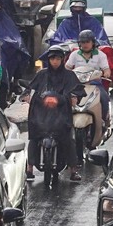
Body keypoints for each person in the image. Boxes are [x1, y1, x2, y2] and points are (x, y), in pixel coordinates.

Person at [24, 44, 84, 181]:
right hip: (41, 115)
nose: (55, 61)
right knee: (33, 138)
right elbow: (29, 88)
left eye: (58, 58)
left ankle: (73, 170)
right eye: (52, 59)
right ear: (49, 60)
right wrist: (27, 96)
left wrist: (74, 97)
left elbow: (77, 90)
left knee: (69, 139)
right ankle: (29, 167)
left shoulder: (69, 75)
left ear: (62, 59)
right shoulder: (42, 74)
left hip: (61, 115)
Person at [65, 29, 111, 142]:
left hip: (94, 84)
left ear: (93, 43)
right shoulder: (74, 55)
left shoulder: (101, 55)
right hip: (76, 85)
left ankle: (103, 120)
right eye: (82, 42)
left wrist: (104, 73)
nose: (85, 44)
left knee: (104, 98)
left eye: (87, 42)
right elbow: (67, 67)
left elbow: (107, 70)